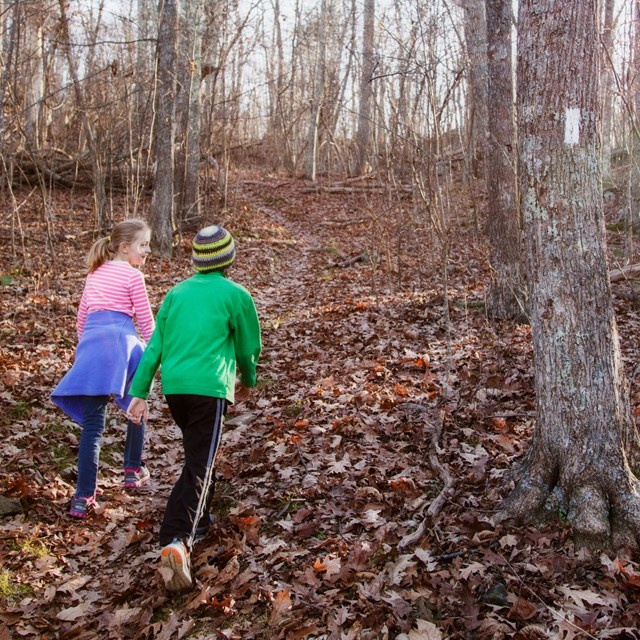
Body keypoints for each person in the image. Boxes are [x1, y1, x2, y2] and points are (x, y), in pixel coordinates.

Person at [127, 224, 261, 593]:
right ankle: (176, 539)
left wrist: (140, 391)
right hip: (209, 389)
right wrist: (247, 380)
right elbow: (248, 348)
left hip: (176, 390)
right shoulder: (236, 295)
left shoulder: (176, 293)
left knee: (199, 454)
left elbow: (155, 346)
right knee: (199, 464)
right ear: (229, 258)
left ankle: (199, 522)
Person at [51, 219, 155, 519]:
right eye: (143, 245)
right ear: (125, 247)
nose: (147, 251)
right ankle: (133, 469)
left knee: (93, 427)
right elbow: (147, 324)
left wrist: (86, 352)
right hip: (124, 347)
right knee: (136, 408)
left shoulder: (93, 274)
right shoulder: (134, 277)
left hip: (94, 348)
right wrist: (154, 358)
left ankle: (83, 496)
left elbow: (81, 321)